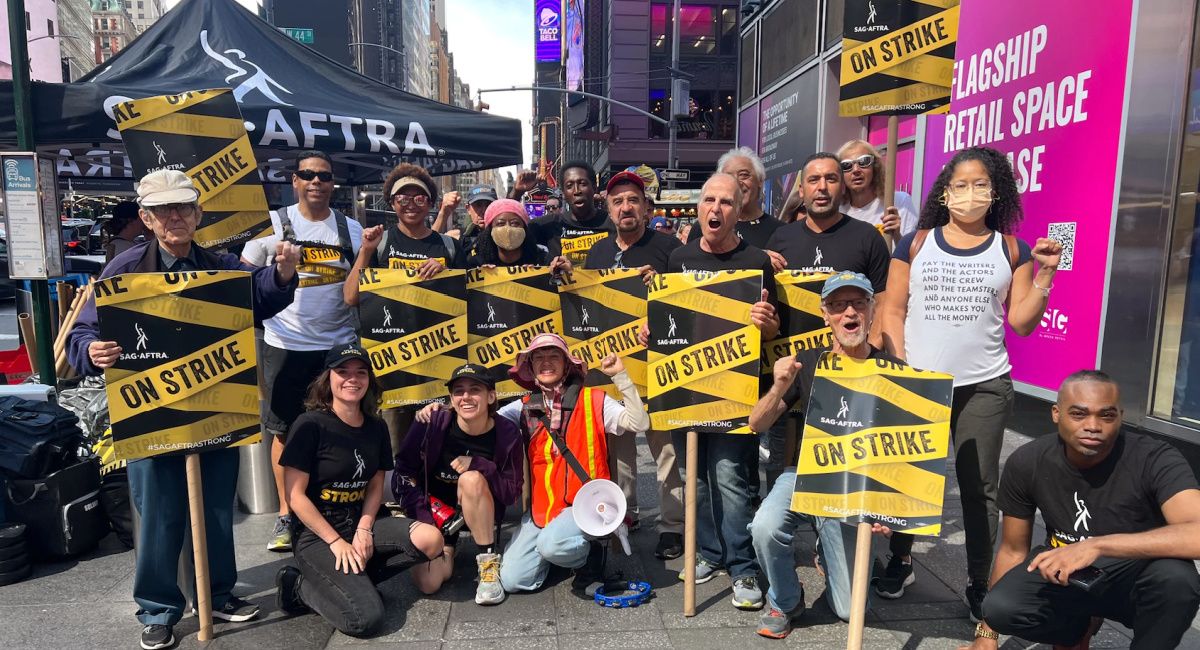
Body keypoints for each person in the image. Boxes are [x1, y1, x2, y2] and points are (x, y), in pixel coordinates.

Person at [66, 169, 300, 650]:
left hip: (216, 410)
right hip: (150, 415)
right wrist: (92, 351)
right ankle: (158, 608)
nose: (175, 218)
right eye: (164, 210)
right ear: (148, 218)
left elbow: (261, 294)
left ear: (197, 214)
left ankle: (216, 594)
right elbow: (82, 334)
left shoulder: (220, 266)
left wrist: (282, 273)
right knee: (158, 515)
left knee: (216, 510)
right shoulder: (122, 271)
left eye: (183, 208)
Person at [878, 146, 1063, 619]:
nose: (970, 193)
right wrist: (901, 369)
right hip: (918, 382)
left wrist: (1045, 274)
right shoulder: (916, 243)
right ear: (944, 192)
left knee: (980, 486)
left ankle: (980, 580)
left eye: (981, 184)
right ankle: (900, 560)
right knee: (910, 476)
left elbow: (1021, 321)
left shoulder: (1011, 249)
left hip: (985, 386)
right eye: (960, 185)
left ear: (996, 190)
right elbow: (893, 310)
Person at [963, 370, 1200, 650]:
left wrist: (1097, 546)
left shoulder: (1155, 457)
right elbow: (1013, 550)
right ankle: (1074, 630)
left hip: (1135, 576)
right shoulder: (1028, 461)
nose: (1093, 425)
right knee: (1001, 607)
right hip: (1067, 575)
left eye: (1106, 415)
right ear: (1056, 413)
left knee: (1177, 581)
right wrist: (987, 635)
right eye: (1079, 414)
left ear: (1120, 416)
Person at [418, 334, 650, 596]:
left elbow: (639, 423)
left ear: (566, 364)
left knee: (552, 545)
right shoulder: (524, 406)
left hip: (587, 504)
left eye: (553, 356)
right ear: (530, 367)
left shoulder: (594, 400)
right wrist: (443, 410)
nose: (546, 362)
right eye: (539, 357)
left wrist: (621, 376)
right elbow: (479, 416)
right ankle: (563, 550)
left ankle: (590, 553)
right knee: (513, 580)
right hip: (543, 511)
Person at [655, 172, 780, 610]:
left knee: (730, 478)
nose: (715, 209)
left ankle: (744, 568)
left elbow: (774, 328)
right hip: (686, 389)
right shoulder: (680, 258)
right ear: (697, 207)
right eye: (709, 200)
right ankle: (709, 552)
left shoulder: (757, 261)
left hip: (736, 392)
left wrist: (768, 323)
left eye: (726, 202)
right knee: (696, 479)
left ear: (739, 209)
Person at [747, 271, 895, 638]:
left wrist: (891, 505)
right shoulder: (808, 362)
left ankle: (827, 551)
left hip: (855, 486)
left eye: (859, 303)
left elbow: (906, 453)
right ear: (824, 313)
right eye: (838, 305)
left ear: (872, 310)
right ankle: (785, 599)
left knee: (849, 610)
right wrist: (779, 384)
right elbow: (756, 423)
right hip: (806, 474)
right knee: (765, 527)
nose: (850, 312)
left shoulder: (893, 371)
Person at [241, 150, 364, 553]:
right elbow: (242, 274)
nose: (316, 182)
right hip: (286, 344)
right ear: (294, 180)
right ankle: (285, 512)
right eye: (307, 175)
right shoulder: (273, 224)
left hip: (337, 346)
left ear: (333, 184)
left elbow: (369, 281)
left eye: (324, 176)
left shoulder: (351, 229)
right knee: (283, 430)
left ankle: (336, 505)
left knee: (342, 427)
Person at [274, 344, 440, 638]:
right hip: (318, 534)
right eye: (343, 372)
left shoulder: (375, 427)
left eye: (360, 373)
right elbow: (295, 497)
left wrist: (364, 528)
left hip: (362, 521)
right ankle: (298, 587)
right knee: (365, 619)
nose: (352, 379)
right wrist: (336, 541)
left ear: (369, 380)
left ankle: (354, 580)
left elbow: (376, 482)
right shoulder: (309, 425)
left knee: (431, 540)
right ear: (328, 378)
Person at [762, 153, 891, 480]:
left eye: (831, 179)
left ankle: (832, 532)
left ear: (842, 187)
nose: (822, 188)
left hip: (847, 375)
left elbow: (884, 307)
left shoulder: (867, 238)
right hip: (793, 374)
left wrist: (869, 368)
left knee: (839, 476)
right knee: (783, 475)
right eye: (814, 180)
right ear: (801, 190)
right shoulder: (781, 239)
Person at [583, 170, 685, 560]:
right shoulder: (598, 252)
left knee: (665, 451)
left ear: (646, 207)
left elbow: (686, 300)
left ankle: (672, 525)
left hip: (658, 367)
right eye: (617, 201)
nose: (626, 207)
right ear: (608, 209)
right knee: (619, 449)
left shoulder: (669, 249)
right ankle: (625, 514)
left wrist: (662, 286)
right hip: (615, 370)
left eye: (633, 200)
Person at [392, 364, 522, 605]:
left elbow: (511, 493)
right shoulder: (431, 422)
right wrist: (424, 519)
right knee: (428, 584)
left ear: (491, 396)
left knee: (470, 478)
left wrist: (481, 465)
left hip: (482, 507)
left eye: (475, 390)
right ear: (451, 399)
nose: (466, 397)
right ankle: (447, 548)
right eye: (458, 391)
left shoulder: (507, 432)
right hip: (436, 516)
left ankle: (488, 564)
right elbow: (402, 471)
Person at [343, 163, 457, 284]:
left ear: (430, 203)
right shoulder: (378, 244)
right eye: (403, 199)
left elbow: (467, 297)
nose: (411, 205)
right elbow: (350, 297)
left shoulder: (451, 246)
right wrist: (366, 251)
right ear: (392, 203)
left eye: (420, 199)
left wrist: (445, 273)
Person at [688, 147, 784, 260]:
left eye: (744, 175)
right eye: (728, 176)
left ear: (760, 181)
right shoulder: (703, 227)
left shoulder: (779, 231)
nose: (736, 182)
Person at [530, 161, 614, 265]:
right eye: (569, 186)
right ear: (564, 194)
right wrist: (517, 192)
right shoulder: (551, 224)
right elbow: (513, 234)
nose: (577, 191)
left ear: (594, 187)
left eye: (583, 184)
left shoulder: (612, 222)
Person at [836, 139, 919, 238]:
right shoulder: (837, 211)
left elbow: (911, 251)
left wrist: (897, 235)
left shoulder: (898, 202)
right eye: (846, 165)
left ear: (875, 167)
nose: (856, 170)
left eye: (864, 161)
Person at [461, 199, 550, 268]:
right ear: (490, 230)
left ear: (525, 228)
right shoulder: (476, 262)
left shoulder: (542, 260)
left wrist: (539, 277)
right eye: (501, 223)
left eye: (515, 223)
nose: (508, 229)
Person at [446, 184, 497, 253]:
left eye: (488, 205)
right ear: (468, 209)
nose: (483, 211)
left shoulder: (503, 236)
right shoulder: (456, 237)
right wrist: (443, 213)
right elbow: (428, 246)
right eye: (478, 205)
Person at [103, 200, 147, 264]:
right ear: (131, 221)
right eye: (140, 219)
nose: (143, 223)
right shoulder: (127, 247)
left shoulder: (116, 243)